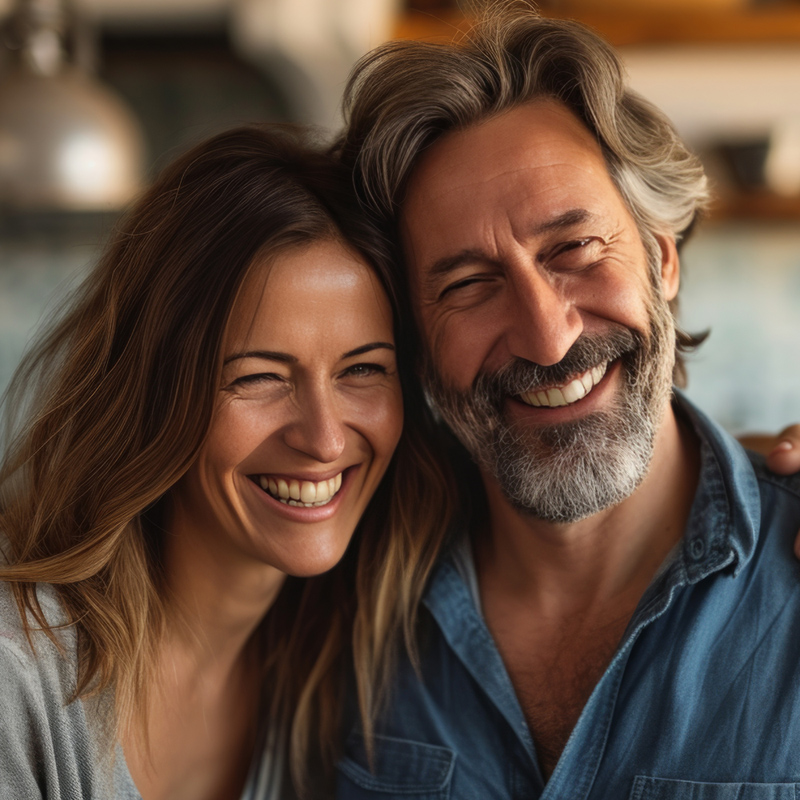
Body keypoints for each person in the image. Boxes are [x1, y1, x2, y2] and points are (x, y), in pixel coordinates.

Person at [333, 6, 800, 797]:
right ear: (413, 334)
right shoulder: (341, 595)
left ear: (660, 259)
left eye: (574, 249)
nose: (548, 339)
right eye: (469, 285)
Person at [0, 126, 452, 800]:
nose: (325, 439)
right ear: (153, 389)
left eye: (363, 369)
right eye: (259, 378)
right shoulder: (16, 678)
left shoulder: (354, 672)